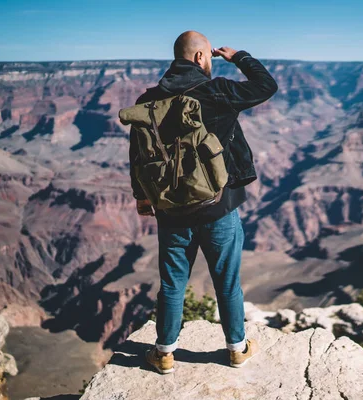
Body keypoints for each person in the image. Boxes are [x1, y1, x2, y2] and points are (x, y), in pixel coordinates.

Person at [129, 30, 278, 374]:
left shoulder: (148, 101)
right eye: (208, 56)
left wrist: (141, 197)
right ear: (200, 58)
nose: (210, 61)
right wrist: (238, 56)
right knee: (226, 281)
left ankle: (164, 353)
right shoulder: (216, 91)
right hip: (218, 207)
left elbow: (138, 155)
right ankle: (237, 349)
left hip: (170, 210)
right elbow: (265, 86)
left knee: (172, 284)